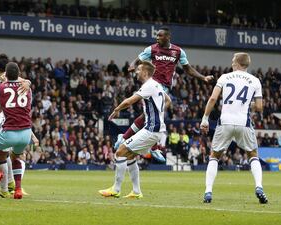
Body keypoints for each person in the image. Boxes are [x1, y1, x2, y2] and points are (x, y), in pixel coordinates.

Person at [114, 26, 213, 162]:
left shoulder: (178, 51)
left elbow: (188, 69)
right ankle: (151, 147)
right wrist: (132, 66)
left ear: (167, 37)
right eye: (157, 36)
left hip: (165, 87)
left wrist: (203, 78)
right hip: (153, 84)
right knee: (153, 115)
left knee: (150, 115)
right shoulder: (152, 49)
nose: (157, 38)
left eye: (160, 36)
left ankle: (125, 137)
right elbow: (137, 59)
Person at [200, 52, 268, 204]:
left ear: (237, 62)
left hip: (225, 121)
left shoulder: (224, 77)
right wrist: (246, 104)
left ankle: (208, 192)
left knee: (214, 156)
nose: (231, 62)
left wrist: (205, 119)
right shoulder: (255, 80)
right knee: (252, 155)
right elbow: (259, 107)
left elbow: (212, 98)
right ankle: (259, 187)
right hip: (243, 122)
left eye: (233, 60)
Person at [98, 61, 171, 199]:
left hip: (151, 129)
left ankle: (116, 189)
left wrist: (116, 109)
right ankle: (136, 192)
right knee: (130, 156)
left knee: (120, 152)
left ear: (145, 72)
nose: (136, 72)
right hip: (155, 130)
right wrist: (158, 113)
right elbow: (168, 101)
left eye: (138, 70)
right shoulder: (157, 85)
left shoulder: (149, 85)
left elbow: (129, 101)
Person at [0, 62, 33, 199]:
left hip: (10, 131)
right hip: (26, 133)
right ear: (19, 74)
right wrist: (27, 82)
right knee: (15, 157)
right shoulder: (28, 88)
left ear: (6, 73)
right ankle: (17, 190)